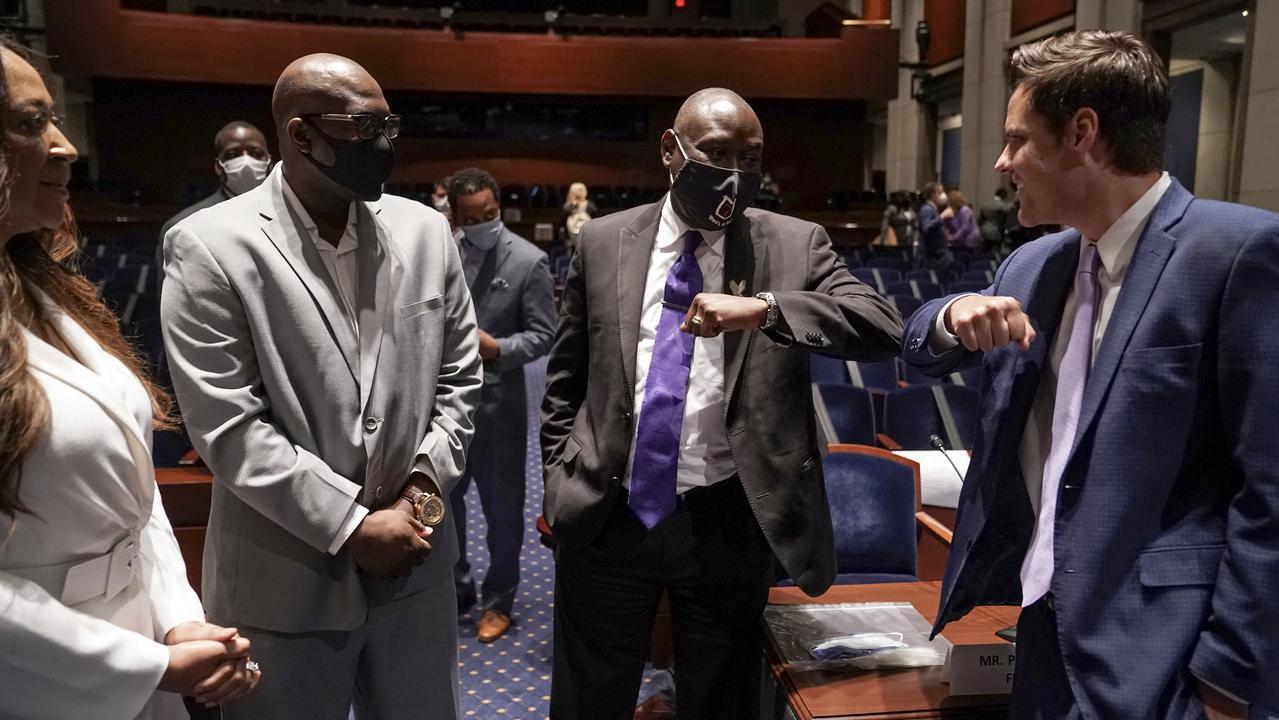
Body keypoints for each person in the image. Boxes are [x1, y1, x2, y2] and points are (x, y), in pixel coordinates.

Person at [899, 30, 1277, 719]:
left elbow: (1271, 493)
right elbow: (917, 347)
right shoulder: (1031, 265)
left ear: (1081, 133)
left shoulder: (1236, 252)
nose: (1000, 161)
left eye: (1016, 140)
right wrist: (950, 313)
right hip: (1041, 633)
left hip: (1166, 658)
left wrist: (1229, 684)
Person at [541, 87, 903, 719]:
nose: (735, 172)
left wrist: (766, 310)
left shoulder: (794, 243)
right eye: (715, 152)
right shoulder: (602, 242)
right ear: (670, 152)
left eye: (751, 156)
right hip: (608, 513)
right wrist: (559, 475)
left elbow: (883, 324)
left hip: (726, 520)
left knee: (721, 702)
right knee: (589, 698)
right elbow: (566, 379)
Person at [161, 53, 482, 719]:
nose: (386, 146)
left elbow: (458, 379)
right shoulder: (209, 246)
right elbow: (229, 430)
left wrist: (418, 500)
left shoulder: (424, 231)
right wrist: (353, 525)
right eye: (364, 129)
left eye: (388, 125)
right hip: (284, 583)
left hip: (415, 574)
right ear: (301, 136)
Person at [0, 41, 259, 719]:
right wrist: (148, 664)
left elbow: (133, 497)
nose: (64, 147)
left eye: (55, 120)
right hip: (41, 678)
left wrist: (177, 619)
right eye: (30, 123)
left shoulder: (43, 288)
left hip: (141, 642)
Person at [446, 166, 555, 642]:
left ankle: (499, 600)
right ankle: (457, 587)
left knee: (503, 517)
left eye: (490, 213)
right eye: (473, 217)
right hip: (442, 411)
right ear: (456, 215)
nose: (484, 223)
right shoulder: (441, 253)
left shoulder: (529, 261)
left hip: (499, 411)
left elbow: (544, 336)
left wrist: (499, 350)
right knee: (443, 511)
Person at [157, 121, 271, 287]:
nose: (247, 161)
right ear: (218, 167)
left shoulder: (292, 214)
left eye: (256, 153)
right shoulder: (183, 226)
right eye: (233, 155)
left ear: (269, 161)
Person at [915, 181, 952, 270]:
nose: (943, 195)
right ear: (932, 194)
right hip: (931, 257)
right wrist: (942, 217)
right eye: (940, 193)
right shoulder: (927, 209)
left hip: (937, 255)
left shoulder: (933, 209)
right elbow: (926, 228)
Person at [560, 181, 596, 251]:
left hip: (587, 239)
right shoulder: (567, 207)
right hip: (572, 241)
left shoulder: (591, 206)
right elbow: (563, 223)